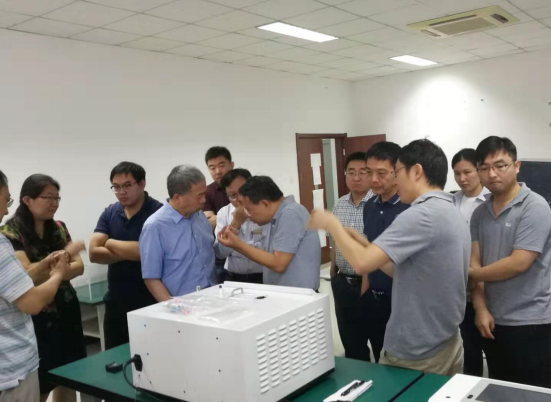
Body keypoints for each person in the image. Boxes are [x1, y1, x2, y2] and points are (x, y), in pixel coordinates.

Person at [308, 139, 469, 376]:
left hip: (417, 348)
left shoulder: (420, 214)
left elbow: (361, 263)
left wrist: (332, 224)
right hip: (445, 339)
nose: (396, 180)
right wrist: (366, 244)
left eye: (397, 172)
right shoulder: (450, 208)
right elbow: (404, 270)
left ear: (416, 171)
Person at [469, 136, 551, 387]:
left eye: (500, 165)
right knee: (499, 387)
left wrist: (469, 274)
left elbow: (519, 262)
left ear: (516, 166)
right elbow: (475, 261)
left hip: (530, 322)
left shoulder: (535, 207)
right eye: (484, 168)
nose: (492, 174)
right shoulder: (479, 213)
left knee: (532, 392)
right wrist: (480, 309)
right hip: (492, 320)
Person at [0, 174, 86, 402]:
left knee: (71, 376)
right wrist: (62, 262)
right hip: (38, 317)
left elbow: (79, 267)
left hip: (66, 308)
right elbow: (26, 277)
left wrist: (55, 268)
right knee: (42, 383)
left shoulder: (59, 228)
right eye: (48, 197)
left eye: (57, 198)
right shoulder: (10, 234)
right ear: (27, 200)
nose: (54, 203)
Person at [89, 162, 163, 350]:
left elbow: (147, 253)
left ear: (142, 184)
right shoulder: (110, 212)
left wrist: (110, 243)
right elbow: (94, 253)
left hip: (150, 301)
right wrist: (134, 251)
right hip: (116, 301)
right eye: (116, 186)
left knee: (151, 356)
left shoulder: (158, 212)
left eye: (127, 185)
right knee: (114, 357)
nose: (121, 192)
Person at [217, 176, 320, 290]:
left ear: (264, 203)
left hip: (299, 294)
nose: (248, 215)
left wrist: (237, 245)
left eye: (249, 209)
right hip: (284, 292)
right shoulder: (277, 215)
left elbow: (279, 264)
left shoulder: (290, 214)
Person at [360, 142, 409, 364]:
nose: (373, 179)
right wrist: (365, 287)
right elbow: (368, 248)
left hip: (402, 298)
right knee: (379, 354)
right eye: (368, 172)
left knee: (402, 361)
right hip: (375, 296)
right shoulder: (369, 205)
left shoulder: (409, 207)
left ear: (397, 172)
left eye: (381, 173)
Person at [140, 165, 217, 302]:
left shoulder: (199, 216)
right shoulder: (155, 227)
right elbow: (151, 278)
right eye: (199, 196)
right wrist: (173, 307)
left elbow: (210, 252)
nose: (204, 200)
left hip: (213, 296)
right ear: (177, 198)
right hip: (183, 304)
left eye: (204, 194)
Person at [329, 152, 373, 361]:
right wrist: (332, 269)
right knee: (351, 341)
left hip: (371, 285)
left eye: (363, 172)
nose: (356, 178)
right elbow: (334, 238)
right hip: (343, 282)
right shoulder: (339, 204)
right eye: (351, 172)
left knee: (378, 339)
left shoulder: (377, 204)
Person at [451, 149, 490, 377]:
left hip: (486, 283)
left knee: (492, 345)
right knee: (469, 345)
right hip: (460, 285)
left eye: (467, 172)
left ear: (479, 170)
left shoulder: (490, 200)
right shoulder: (452, 200)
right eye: (457, 173)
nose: (462, 179)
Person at [214, 169, 267, 284]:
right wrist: (235, 224)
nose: (239, 199)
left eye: (243, 191)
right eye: (233, 195)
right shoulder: (224, 213)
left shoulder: (266, 210)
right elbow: (220, 253)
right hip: (234, 278)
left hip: (264, 277)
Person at [203, 146, 234, 283]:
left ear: (231, 165)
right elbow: (210, 221)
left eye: (222, 165)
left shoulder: (245, 186)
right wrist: (236, 218)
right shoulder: (207, 192)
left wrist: (221, 219)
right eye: (212, 167)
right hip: (220, 256)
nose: (218, 171)